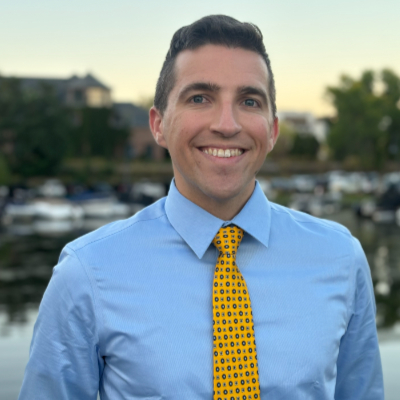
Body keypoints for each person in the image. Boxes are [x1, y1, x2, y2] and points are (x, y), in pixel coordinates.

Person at [19, 15, 384, 400]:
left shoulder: (341, 258)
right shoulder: (86, 274)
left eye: (249, 101)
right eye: (199, 98)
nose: (226, 124)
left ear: (273, 130)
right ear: (158, 125)